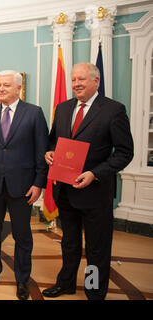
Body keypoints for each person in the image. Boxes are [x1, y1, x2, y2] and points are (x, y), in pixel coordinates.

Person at [42, 62, 134, 300]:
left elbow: (124, 152)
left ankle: (94, 291)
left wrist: (95, 173)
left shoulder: (113, 110)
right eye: (73, 80)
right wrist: (49, 153)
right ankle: (66, 283)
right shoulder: (62, 109)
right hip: (66, 191)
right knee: (69, 243)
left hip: (95, 193)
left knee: (96, 249)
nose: (76, 84)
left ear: (96, 81)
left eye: (81, 79)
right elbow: (53, 141)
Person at [0, 70, 49, 300]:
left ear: (18, 88)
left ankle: (22, 279)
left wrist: (39, 184)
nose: (0, 89)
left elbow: (42, 152)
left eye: (6, 85)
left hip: (23, 187)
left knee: (22, 235)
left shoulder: (34, 113)